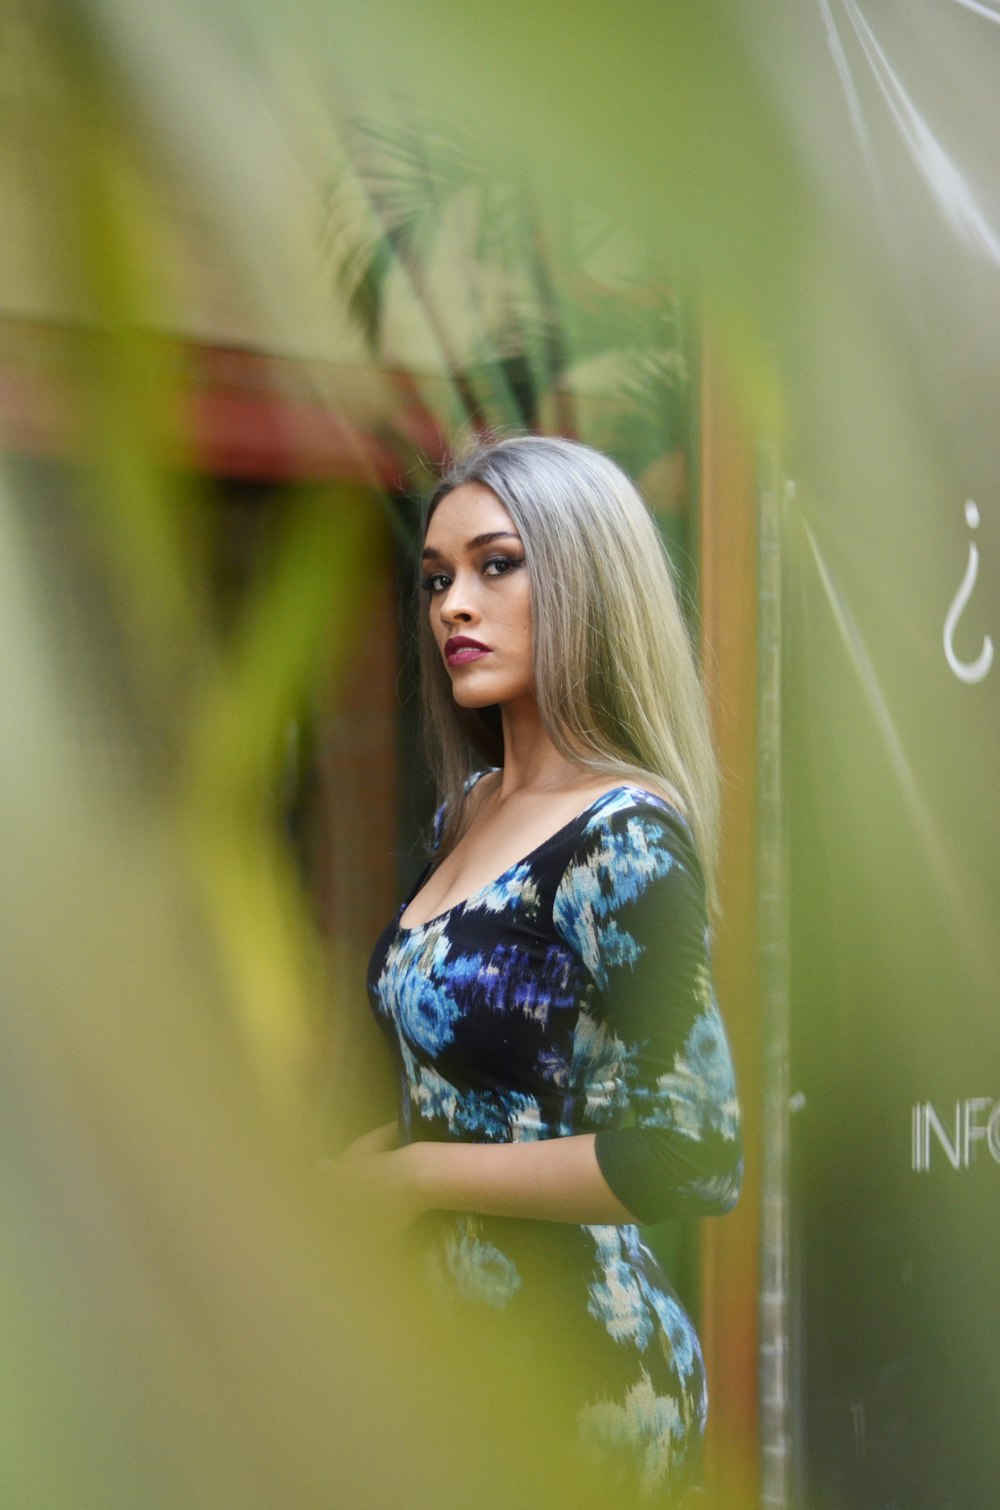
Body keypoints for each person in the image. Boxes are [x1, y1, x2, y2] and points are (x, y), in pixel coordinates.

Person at [343, 435, 742, 1500]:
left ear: (582, 576)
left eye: (496, 563)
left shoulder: (624, 837)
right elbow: (493, 1095)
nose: (452, 606)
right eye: (436, 577)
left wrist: (415, 1176)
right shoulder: (466, 811)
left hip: (581, 1377)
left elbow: (690, 1150)